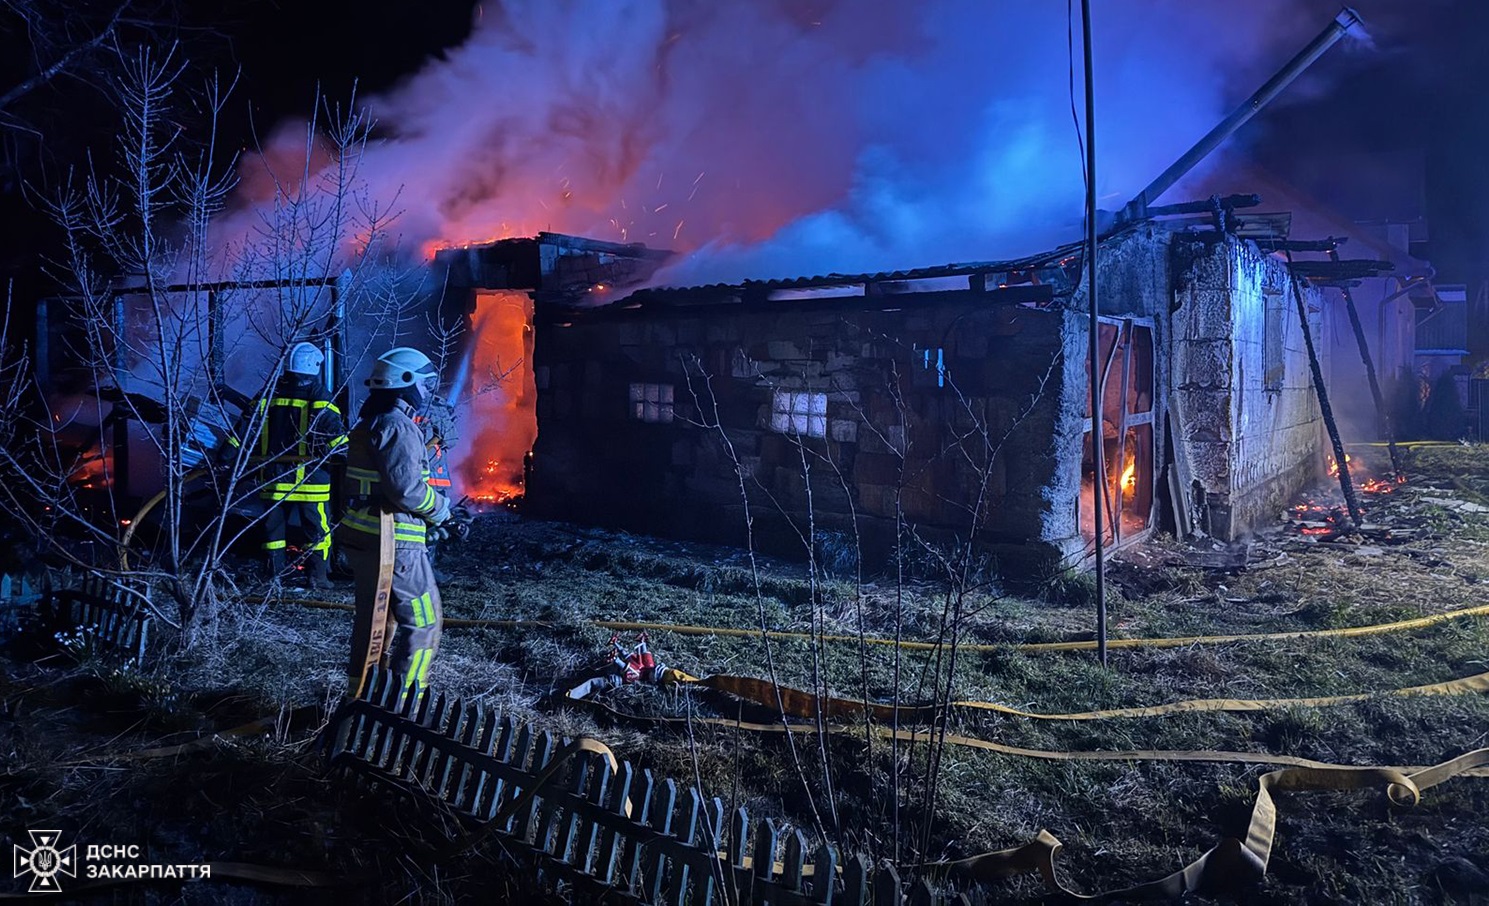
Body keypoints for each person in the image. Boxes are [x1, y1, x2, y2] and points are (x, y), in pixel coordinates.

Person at [340, 347, 451, 700]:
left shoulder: (370, 422)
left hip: (368, 536)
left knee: (375, 624)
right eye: (423, 384)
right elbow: (406, 489)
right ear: (405, 383)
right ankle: (405, 703)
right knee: (423, 623)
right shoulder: (396, 424)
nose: (426, 392)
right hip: (394, 544)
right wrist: (442, 512)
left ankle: (361, 696)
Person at [253, 341, 346, 589]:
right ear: (315, 367)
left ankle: (274, 577)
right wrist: (351, 454)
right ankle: (318, 578)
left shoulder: (269, 393)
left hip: (272, 475)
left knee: (273, 530)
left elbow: (245, 429)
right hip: (310, 478)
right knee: (317, 530)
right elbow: (335, 437)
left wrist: (225, 459)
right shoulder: (319, 395)